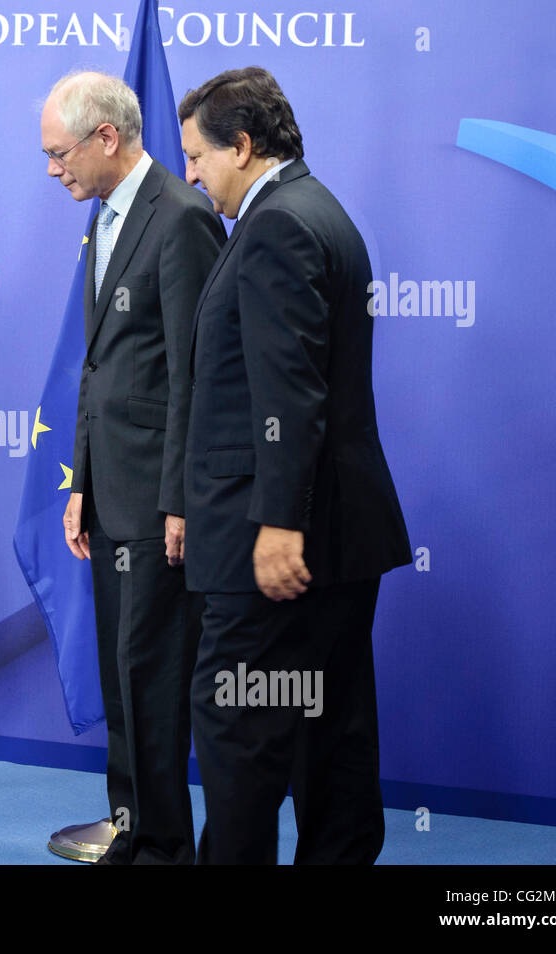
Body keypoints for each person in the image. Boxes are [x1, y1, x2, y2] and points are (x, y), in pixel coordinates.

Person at [178, 66, 411, 864]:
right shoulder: (323, 211)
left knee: (240, 739)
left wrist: (277, 524)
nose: (192, 177)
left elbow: (289, 394)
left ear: (242, 147)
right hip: (340, 534)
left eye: (199, 158)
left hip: (277, 544)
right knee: (332, 727)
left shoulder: (278, 226)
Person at [41, 71, 226, 864]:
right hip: (110, 492)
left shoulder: (181, 218)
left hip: (158, 500)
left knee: (151, 679)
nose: (54, 169)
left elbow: (195, 374)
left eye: (59, 153)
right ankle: (132, 826)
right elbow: (101, 368)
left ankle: (160, 847)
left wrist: (181, 497)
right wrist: (81, 480)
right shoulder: (102, 218)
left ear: (106, 138)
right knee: (123, 674)